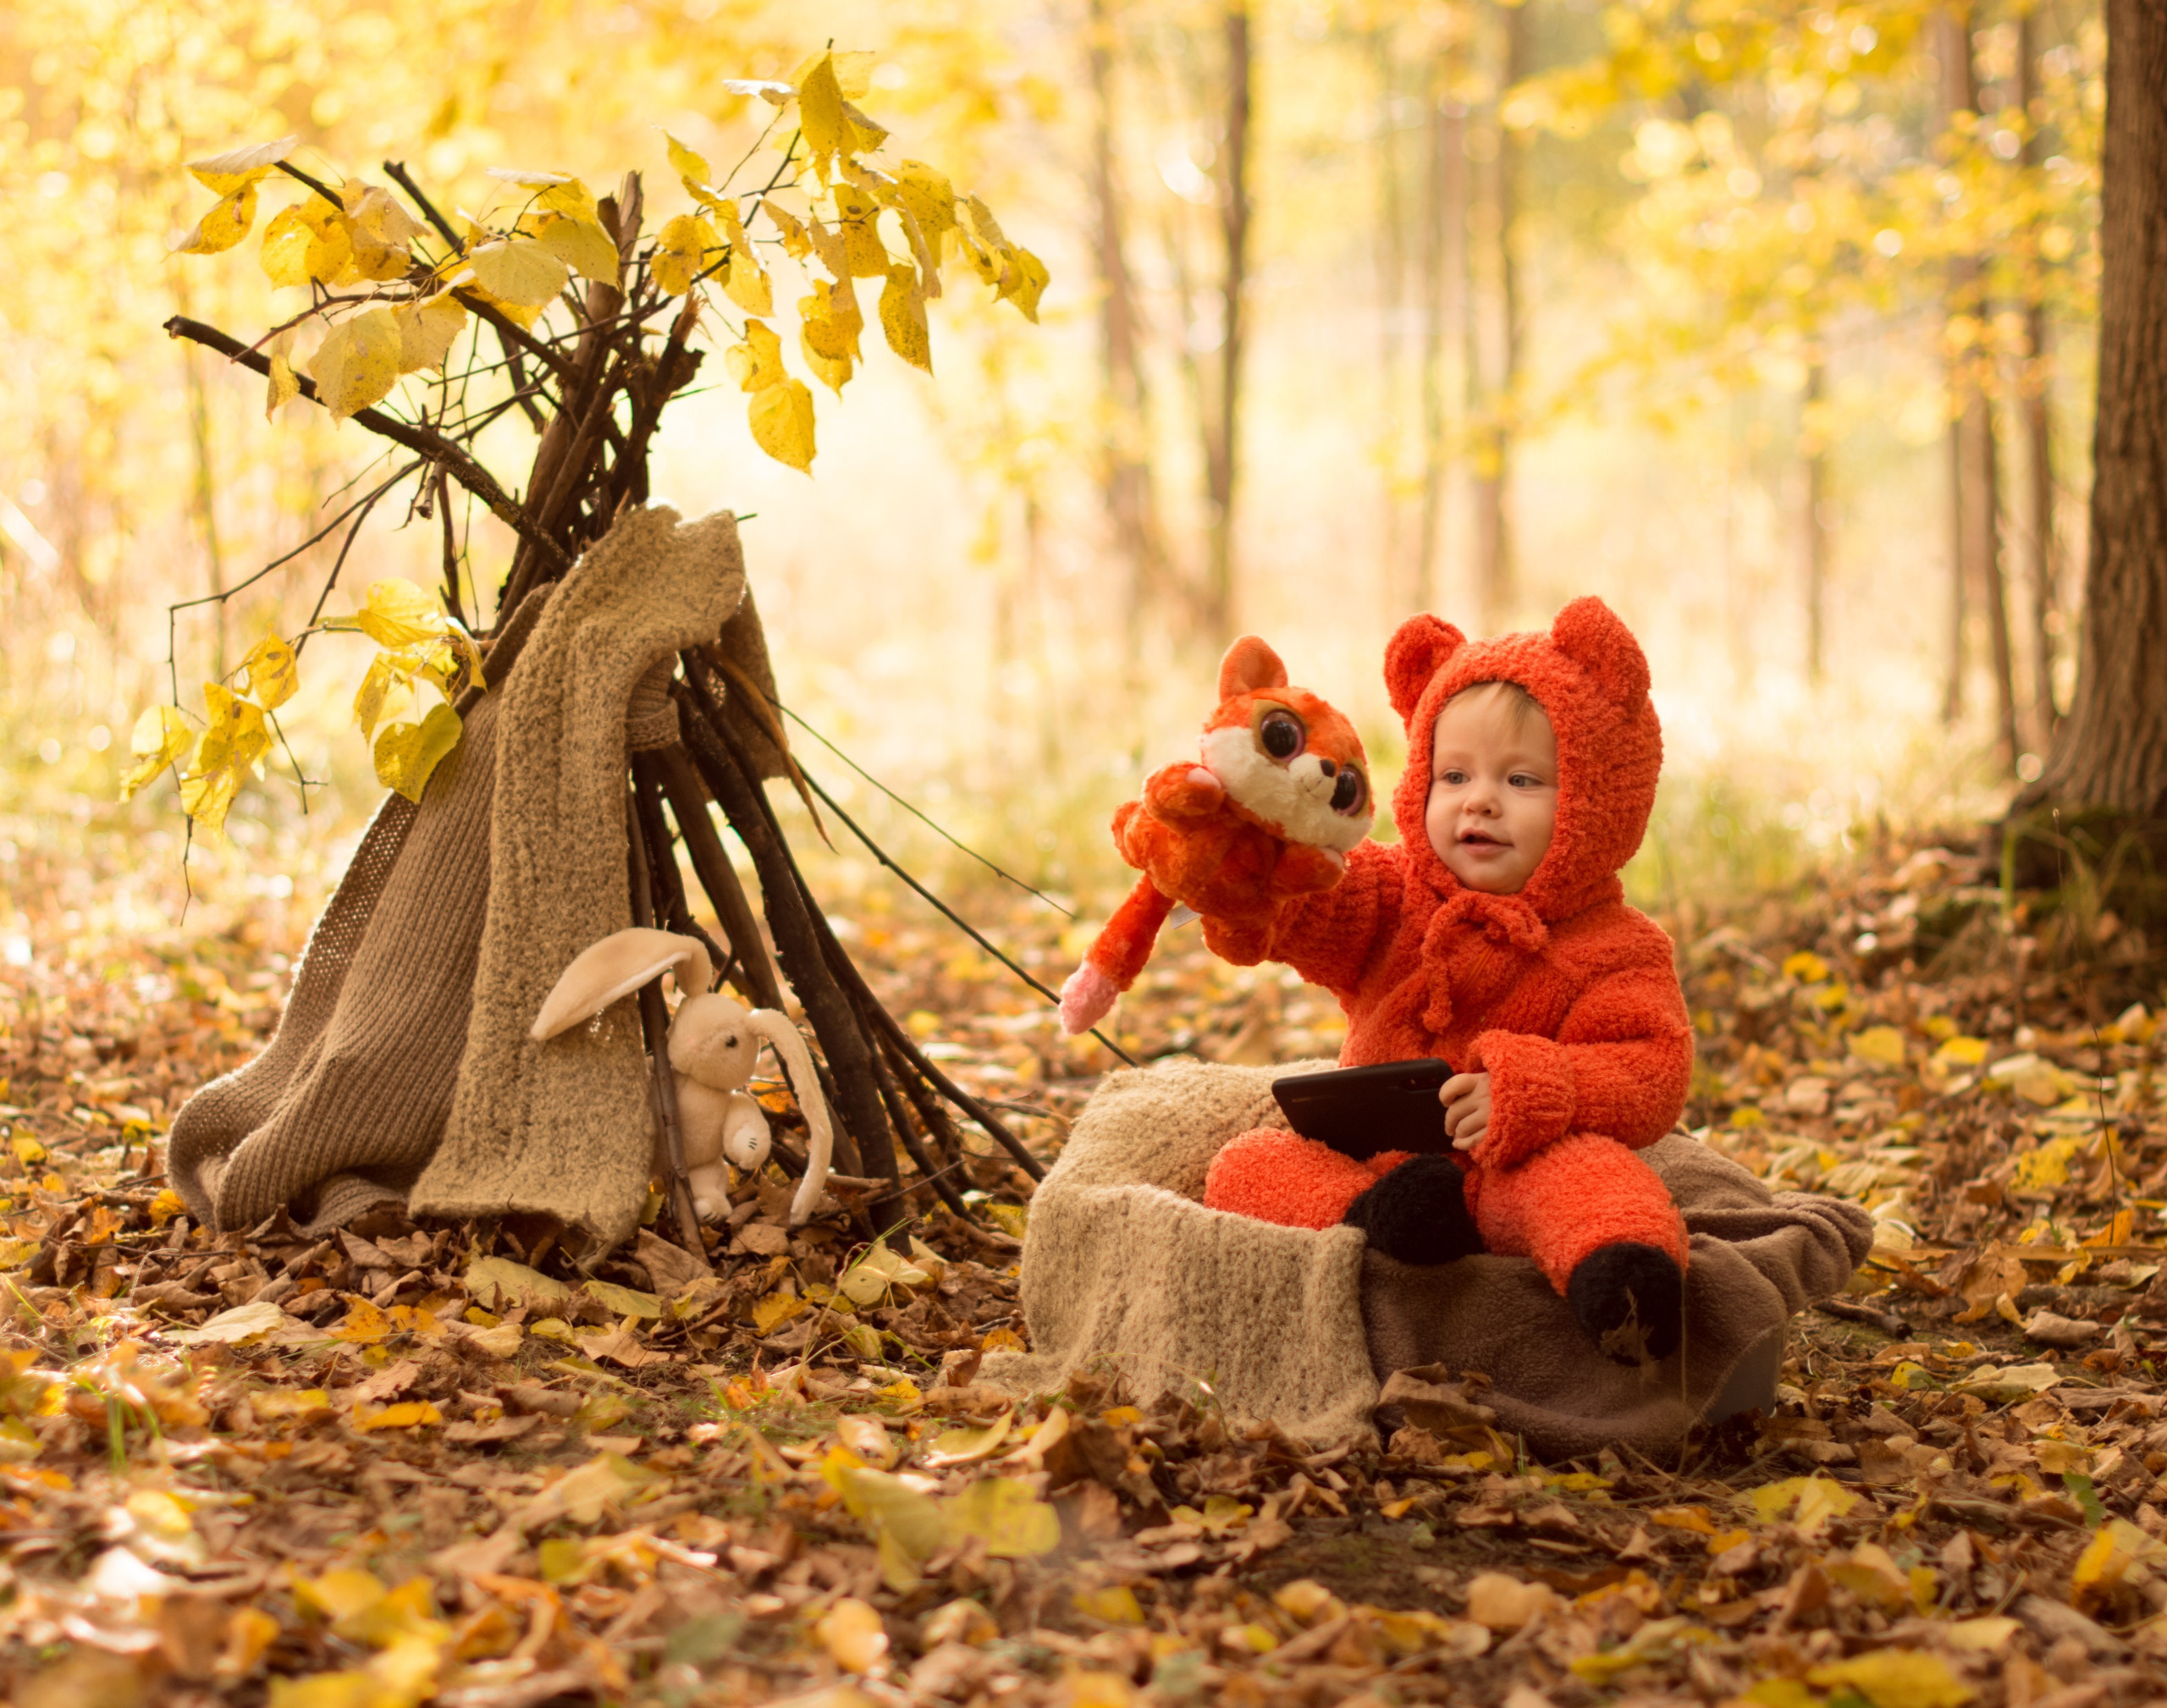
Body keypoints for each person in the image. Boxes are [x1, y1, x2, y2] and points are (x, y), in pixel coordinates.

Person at [1183, 598, 1694, 1362]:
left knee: (1594, 1179)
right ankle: (1376, 1220)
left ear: (1598, 800)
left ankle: (1624, 1289)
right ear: (1421, 777)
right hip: (1378, 1166)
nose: (1480, 799)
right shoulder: (1395, 892)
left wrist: (1535, 1088)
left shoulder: (1616, 948)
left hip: (1517, 1162)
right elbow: (1323, 905)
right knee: (1248, 1164)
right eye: (1454, 774)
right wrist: (1255, 885)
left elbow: (1649, 1068)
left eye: (1522, 780)